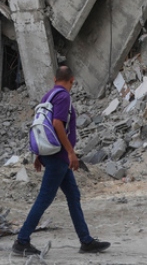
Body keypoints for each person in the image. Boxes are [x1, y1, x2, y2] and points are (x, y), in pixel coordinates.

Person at [12, 66, 110, 256]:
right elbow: (56, 124)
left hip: (52, 155)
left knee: (73, 196)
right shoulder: (64, 97)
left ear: (54, 79)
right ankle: (22, 241)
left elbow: (41, 127)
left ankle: (86, 241)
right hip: (59, 157)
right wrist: (71, 153)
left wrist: (39, 154)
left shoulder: (47, 96)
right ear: (72, 80)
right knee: (45, 198)